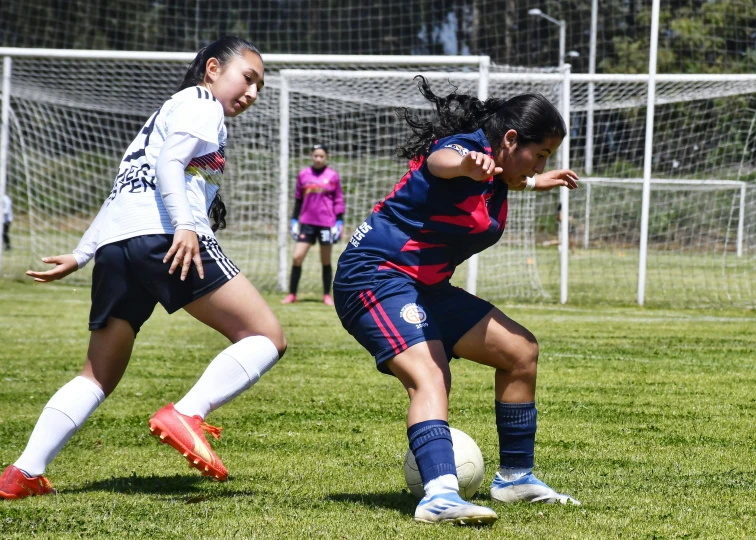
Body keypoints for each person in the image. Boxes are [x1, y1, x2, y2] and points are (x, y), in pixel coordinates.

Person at [0, 37, 287, 500]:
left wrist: (84, 252)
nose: (252, 92)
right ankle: (188, 413)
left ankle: (24, 471)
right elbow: (172, 164)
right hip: (166, 236)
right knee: (266, 336)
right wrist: (184, 225)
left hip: (120, 244)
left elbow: (125, 188)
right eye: (247, 78)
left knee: (96, 375)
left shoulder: (163, 114)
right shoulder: (200, 103)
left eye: (259, 87)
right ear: (212, 69)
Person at [333, 77, 580, 525]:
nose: (542, 162)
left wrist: (537, 179)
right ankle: (440, 496)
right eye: (541, 153)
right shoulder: (463, 151)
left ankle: (516, 478)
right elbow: (440, 160)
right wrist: (467, 162)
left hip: (425, 287)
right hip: (373, 276)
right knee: (430, 373)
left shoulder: (500, 174)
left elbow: (501, 180)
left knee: (520, 352)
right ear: (509, 140)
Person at [282, 144, 344, 306]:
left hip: (327, 223)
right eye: (315, 155)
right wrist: (294, 219)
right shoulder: (303, 174)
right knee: (297, 257)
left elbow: (338, 199)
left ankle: (326, 295)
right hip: (307, 223)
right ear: (312, 156)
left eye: (321, 156)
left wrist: (339, 221)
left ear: (326, 157)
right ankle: (292, 294)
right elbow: (298, 199)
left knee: (325, 260)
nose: (318, 159)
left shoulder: (332, 176)